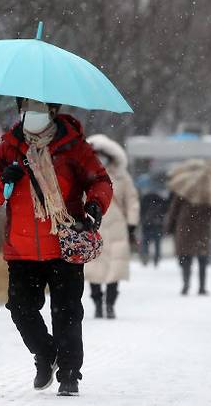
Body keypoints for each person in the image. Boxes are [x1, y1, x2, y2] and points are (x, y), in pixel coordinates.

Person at [0, 98, 112, 397]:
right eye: (27, 108)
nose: (32, 114)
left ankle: (68, 373)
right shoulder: (9, 148)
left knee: (66, 312)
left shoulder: (73, 146)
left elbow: (100, 180)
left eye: (38, 108)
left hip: (64, 243)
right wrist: (3, 180)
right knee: (21, 309)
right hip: (22, 247)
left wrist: (95, 204)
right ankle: (46, 353)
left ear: (53, 111)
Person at [84, 134, 139, 320]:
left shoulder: (122, 177)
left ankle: (110, 304)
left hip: (117, 228)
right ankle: (98, 302)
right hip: (93, 226)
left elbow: (132, 201)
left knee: (115, 268)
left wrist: (132, 224)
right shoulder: (86, 177)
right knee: (93, 269)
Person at [165, 194, 211, 295]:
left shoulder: (183, 191)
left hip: (186, 226)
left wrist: (169, 227)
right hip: (202, 227)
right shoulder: (207, 193)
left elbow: (174, 210)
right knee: (202, 258)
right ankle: (201, 287)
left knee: (186, 257)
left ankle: (186, 284)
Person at [139, 191, 168, 267]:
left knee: (145, 242)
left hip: (147, 224)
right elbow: (165, 211)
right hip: (157, 224)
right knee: (157, 243)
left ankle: (145, 256)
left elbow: (141, 211)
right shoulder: (161, 199)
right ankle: (156, 258)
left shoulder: (145, 198)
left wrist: (143, 220)